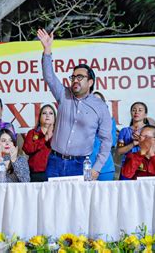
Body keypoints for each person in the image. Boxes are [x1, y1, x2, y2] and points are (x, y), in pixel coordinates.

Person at [38, 29, 112, 180]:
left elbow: (106, 141)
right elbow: (49, 76)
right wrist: (47, 51)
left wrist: (97, 168)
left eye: (80, 77)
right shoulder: (63, 95)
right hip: (55, 161)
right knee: (51, 203)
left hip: (80, 164)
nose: (75, 80)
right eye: (73, 77)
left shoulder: (100, 107)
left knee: (77, 204)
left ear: (90, 82)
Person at [117, 101, 155, 179]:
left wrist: (141, 141)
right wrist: (133, 143)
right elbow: (119, 151)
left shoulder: (150, 130)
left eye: (140, 110)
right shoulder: (124, 131)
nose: (136, 112)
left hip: (146, 166)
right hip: (127, 168)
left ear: (145, 114)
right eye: (134, 110)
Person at [22, 104, 56, 182]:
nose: (47, 115)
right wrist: (44, 139)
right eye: (44, 113)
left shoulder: (58, 133)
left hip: (54, 173)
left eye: (51, 113)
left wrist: (50, 136)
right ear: (40, 117)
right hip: (35, 174)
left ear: (55, 118)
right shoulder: (32, 133)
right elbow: (27, 149)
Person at [91, 91, 117, 181]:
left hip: (105, 167)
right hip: (86, 166)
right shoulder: (82, 121)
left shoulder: (110, 121)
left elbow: (111, 142)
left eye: (99, 101)